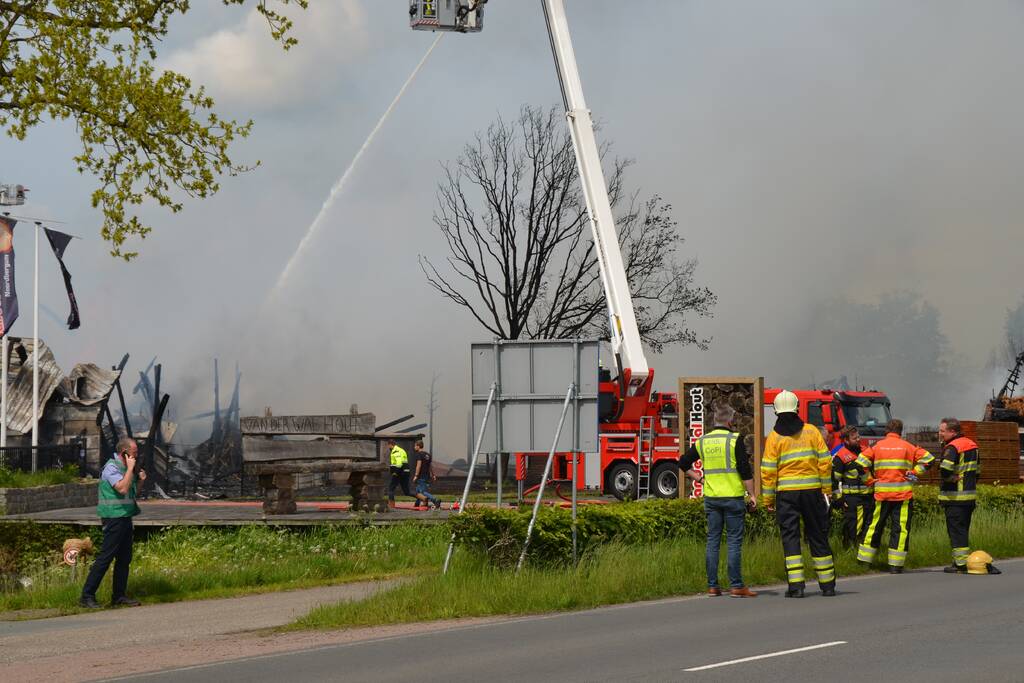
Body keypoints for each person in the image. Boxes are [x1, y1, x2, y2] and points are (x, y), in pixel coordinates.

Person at [761, 390, 836, 598]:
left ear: (776, 411)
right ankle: (828, 586)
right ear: (796, 409)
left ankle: (796, 588)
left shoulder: (775, 437)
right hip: (812, 492)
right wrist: (826, 490)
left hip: (786, 495)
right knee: (817, 535)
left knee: (790, 538)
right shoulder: (812, 431)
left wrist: (768, 499)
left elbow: (768, 471)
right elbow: (825, 462)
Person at [679, 405, 757, 597]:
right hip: (732, 498)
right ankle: (736, 586)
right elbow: (745, 471)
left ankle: (713, 586)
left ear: (715, 421)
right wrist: (752, 495)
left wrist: (699, 478)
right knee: (733, 542)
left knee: (712, 541)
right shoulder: (734, 439)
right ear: (730, 421)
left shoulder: (703, 441)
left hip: (712, 499)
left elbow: (682, 463)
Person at [854, 419, 935, 573]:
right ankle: (895, 565)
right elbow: (929, 460)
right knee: (900, 529)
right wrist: (915, 472)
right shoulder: (908, 446)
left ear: (887, 430)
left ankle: (863, 563)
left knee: (874, 527)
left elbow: (859, 464)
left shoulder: (877, 446)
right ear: (901, 431)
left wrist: (869, 480)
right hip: (902, 495)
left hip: (881, 495)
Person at [79, 437, 145, 609]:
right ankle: (87, 596)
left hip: (125, 517)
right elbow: (121, 488)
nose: (136, 456)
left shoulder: (125, 468)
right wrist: (131, 469)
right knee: (105, 558)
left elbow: (130, 492)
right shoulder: (111, 467)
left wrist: (140, 480)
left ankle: (119, 596)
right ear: (124, 452)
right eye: (134, 453)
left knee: (124, 559)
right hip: (113, 517)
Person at [936, 417, 979, 573]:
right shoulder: (972, 445)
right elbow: (977, 471)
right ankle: (960, 561)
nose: (940, 434)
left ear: (952, 431)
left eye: (942, 431)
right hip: (969, 497)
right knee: (963, 530)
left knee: (955, 531)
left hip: (955, 498)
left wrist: (949, 478)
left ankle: (960, 564)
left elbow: (945, 469)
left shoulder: (952, 447)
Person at [831, 426, 874, 549]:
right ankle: (850, 550)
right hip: (852, 499)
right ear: (846, 440)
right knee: (852, 527)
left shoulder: (866, 451)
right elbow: (834, 480)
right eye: (855, 438)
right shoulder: (841, 457)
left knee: (868, 526)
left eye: (859, 436)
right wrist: (839, 499)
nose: (859, 439)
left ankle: (864, 551)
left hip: (868, 497)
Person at [412, 440, 442, 510]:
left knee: (422, 492)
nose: (414, 447)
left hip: (421, 476)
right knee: (417, 490)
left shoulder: (419, 454)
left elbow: (418, 465)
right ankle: (417, 503)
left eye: (415, 446)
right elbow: (430, 466)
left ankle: (435, 500)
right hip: (427, 475)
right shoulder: (428, 455)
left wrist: (416, 475)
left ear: (418, 446)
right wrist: (433, 475)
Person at [387, 439, 413, 506]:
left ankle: (391, 505)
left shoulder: (396, 451)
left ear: (390, 444)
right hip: (404, 472)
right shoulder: (401, 450)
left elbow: (399, 463)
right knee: (407, 492)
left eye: (388, 446)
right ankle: (423, 498)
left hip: (399, 472)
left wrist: (395, 472)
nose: (388, 447)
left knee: (391, 488)